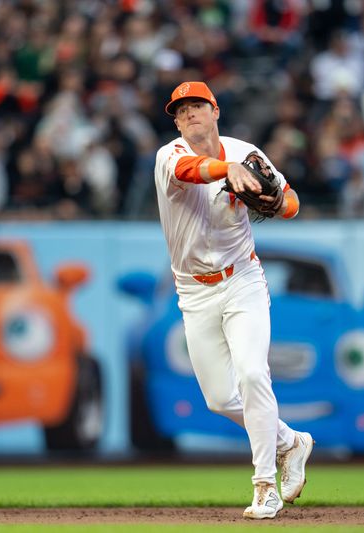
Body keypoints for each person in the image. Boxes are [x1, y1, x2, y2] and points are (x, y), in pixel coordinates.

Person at [153, 81, 312, 520]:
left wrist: (278, 202)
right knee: (220, 399)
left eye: (196, 106)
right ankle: (290, 442)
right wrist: (226, 171)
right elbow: (191, 172)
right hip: (193, 289)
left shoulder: (246, 152)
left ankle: (265, 486)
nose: (188, 114)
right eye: (180, 110)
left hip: (242, 279)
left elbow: (293, 201)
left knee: (252, 373)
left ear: (215, 109)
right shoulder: (170, 155)